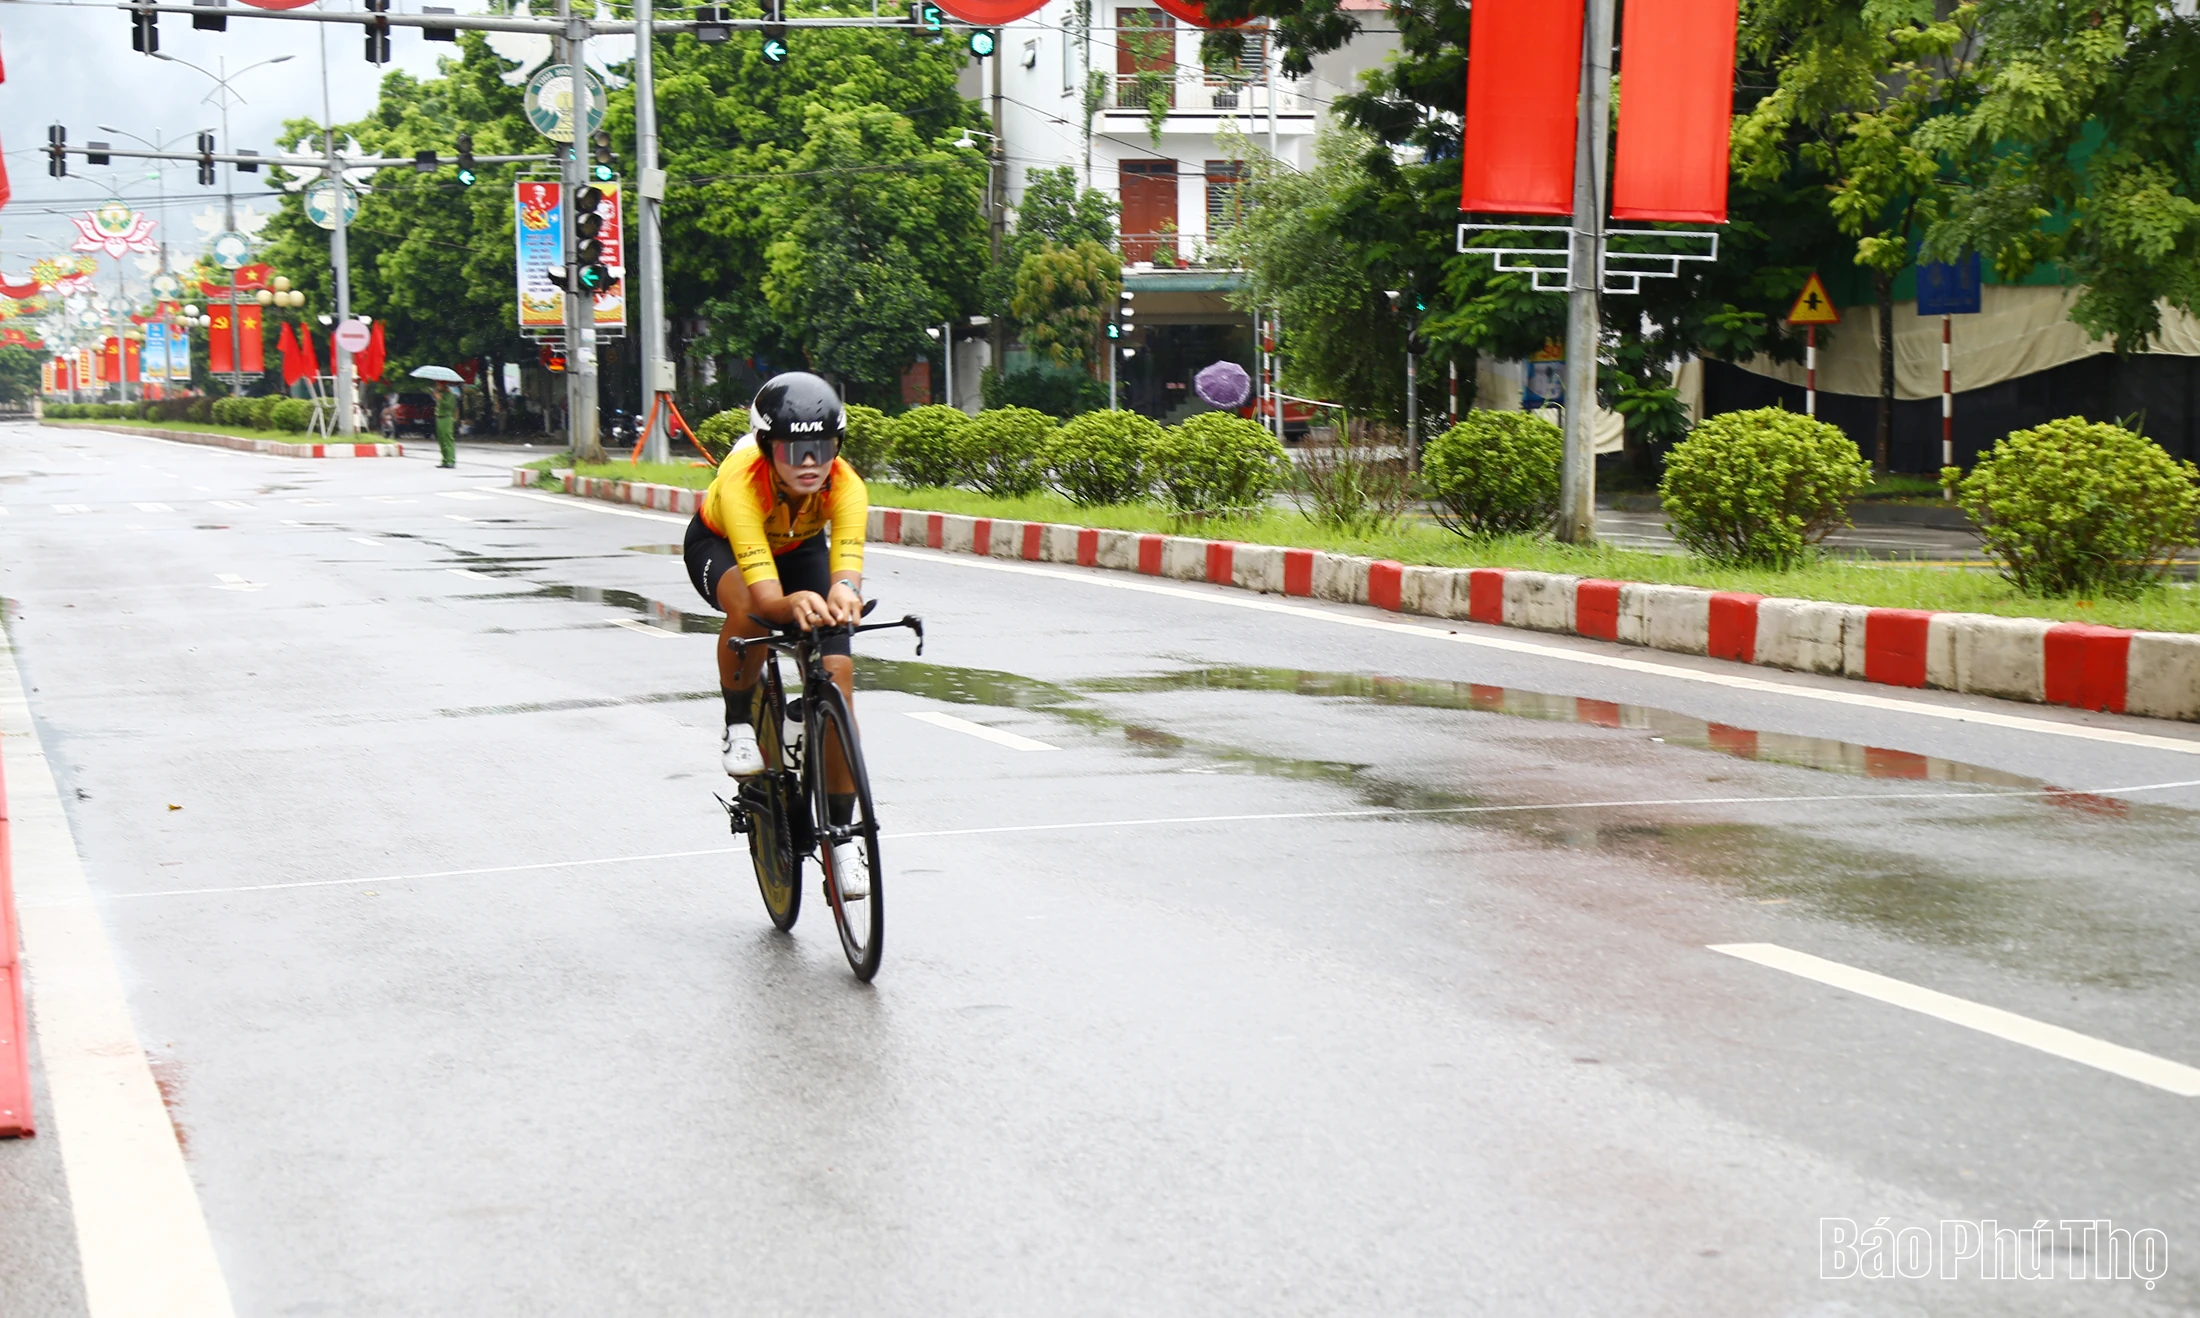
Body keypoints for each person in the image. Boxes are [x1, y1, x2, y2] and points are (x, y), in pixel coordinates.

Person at [683, 372, 871, 896]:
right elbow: (769, 600)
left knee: (838, 672)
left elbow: (845, 572)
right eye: (794, 450)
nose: (810, 462)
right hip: (721, 545)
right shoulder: (742, 481)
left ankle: (842, 840)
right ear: (767, 448)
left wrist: (844, 594)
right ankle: (739, 723)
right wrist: (794, 602)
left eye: (823, 448)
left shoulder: (847, 486)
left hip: (799, 548)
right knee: (751, 611)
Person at [432, 381, 457, 468]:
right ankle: (444, 460)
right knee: (441, 439)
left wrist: (440, 399)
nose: (437, 386)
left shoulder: (451, 395)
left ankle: (451, 460)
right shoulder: (440, 393)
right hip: (439, 417)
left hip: (446, 418)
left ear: (443, 385)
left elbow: (449, 406)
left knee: (447, 439)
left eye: (439, 384)